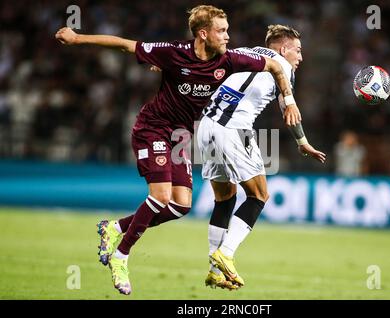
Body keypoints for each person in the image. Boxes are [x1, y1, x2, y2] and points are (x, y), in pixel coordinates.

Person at [55, 5, 300, 295]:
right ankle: (121, 256)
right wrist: (76, 38)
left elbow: (273, 66)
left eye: (227, 30)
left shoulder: (229, 59)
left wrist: (289, 98)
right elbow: (123, 44)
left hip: (181, 135)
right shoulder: (173, 53)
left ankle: (116, 228)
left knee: (180, 205)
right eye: (222, 31)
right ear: (203, 33)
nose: (228, 36)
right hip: (153, 127)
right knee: (160, 196)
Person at [197, 24, 326, 290]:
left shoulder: (242, 51)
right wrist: (303, 142)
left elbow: (207, 62)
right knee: (258, 195)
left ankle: (214, 270)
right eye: (298, 51)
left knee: (225, 199)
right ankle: (226, 254)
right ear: (283, 48)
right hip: (235, 130)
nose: (300, 58)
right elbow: (287, 109)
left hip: (205, 126)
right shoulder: (284, 69)